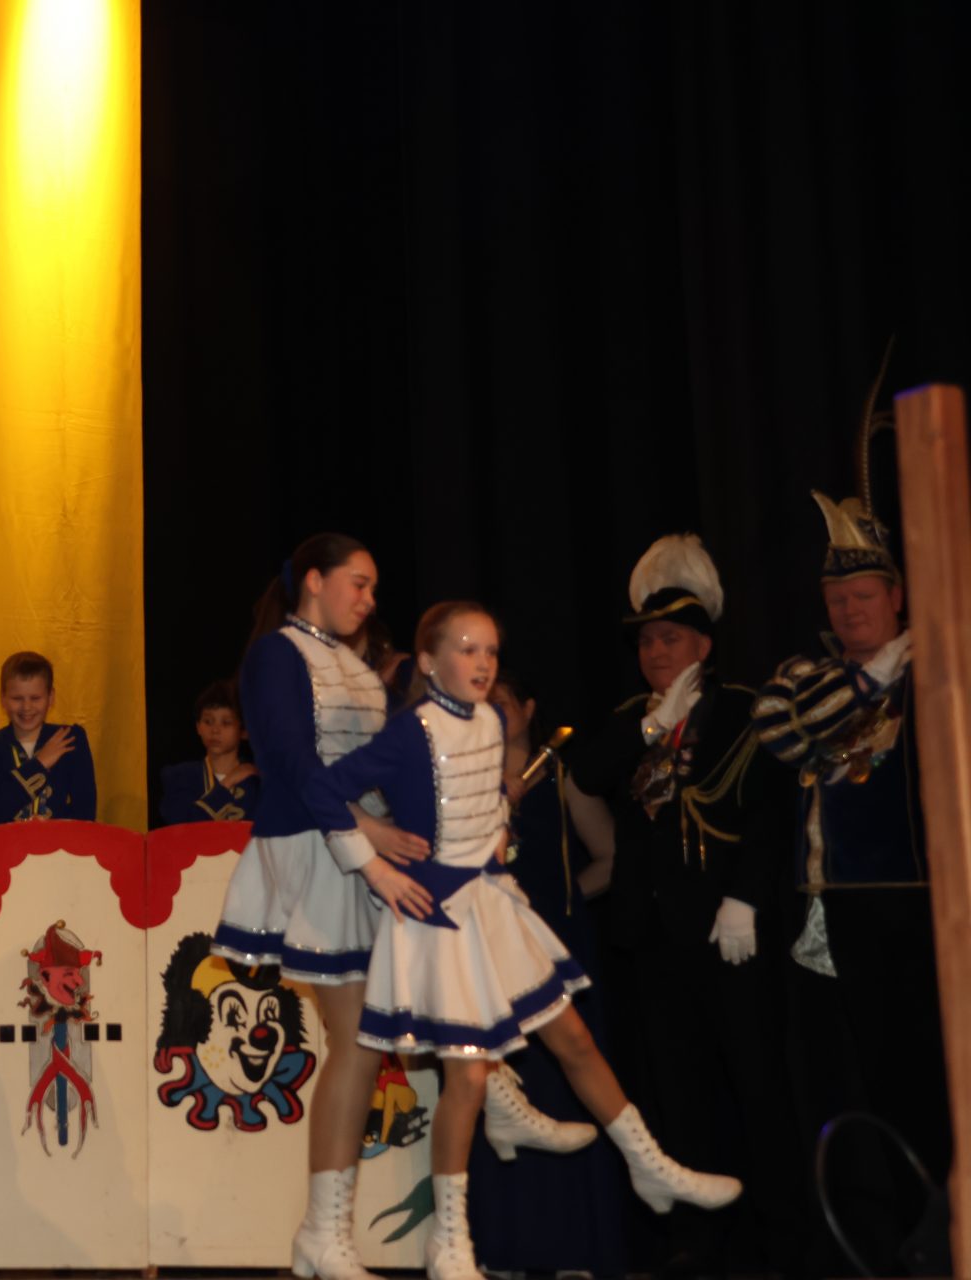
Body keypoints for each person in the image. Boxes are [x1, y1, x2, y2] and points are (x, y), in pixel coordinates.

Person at [318, 601, 742, 1280]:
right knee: (466, 1078)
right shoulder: (409, 732)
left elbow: (478, 817)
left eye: (490, 650)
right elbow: (323, 790)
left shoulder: (490, 722)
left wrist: (497, 816)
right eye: (466, 649)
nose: (482, 663)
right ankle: (450, 1243)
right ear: (427, 662)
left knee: (574, 1038)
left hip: (493, 904)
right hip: (439, 919)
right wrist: (376, 852)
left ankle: (650, 1165)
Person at [210, 535, 584, 1280]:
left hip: (369, 851)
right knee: (358, 1040)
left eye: (374, 587)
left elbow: (391, 762)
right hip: (318, 852)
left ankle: (488, 1091)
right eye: (358, 583)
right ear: (313, 581)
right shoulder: (277, 655)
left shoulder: (355, 663)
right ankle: (325, 1234)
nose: (370, 599)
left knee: (436, 979)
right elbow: (293, 765)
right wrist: (369, 840)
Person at [568, 535, 803, 1275]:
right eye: (646, 642)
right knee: (675, 1094)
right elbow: (588, 772)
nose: (655, 652)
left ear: (703, 644)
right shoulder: (630, 719)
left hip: (727, 932)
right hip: (653, 937)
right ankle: (697, 1242)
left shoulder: (744, 709)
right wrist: (649, 724)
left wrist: (744, 898)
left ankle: (780, 1238)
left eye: (670, 639)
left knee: (756, 1084)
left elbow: (770, 815)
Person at [753, 492, 950, 1214]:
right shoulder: (802, 673)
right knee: (882, 1073)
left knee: (945, 1062)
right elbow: (783, 732)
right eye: (836, 599)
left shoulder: (939, 664)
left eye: (863, 595)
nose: (848, 610)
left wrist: (903, 666)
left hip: (937, 899)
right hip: (851, 904)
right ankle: (918, 1221)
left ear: (896, 597)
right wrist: (874, 676)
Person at [465, 674, 625, 1274]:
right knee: (502, 1095)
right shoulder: (464, 781)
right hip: (489, 957)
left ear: (529, 709)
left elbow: (609, 857)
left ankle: (574, 1251)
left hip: (557, 952)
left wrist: (561, 906)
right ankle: (505, 1250)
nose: (493, 712)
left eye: (503, 703)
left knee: (566, 1091)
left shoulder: (561, 775)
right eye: (483, 704)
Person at [0, 650, 96, 824]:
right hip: (6, 841)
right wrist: (40, 763)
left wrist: (50, 829)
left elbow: (85, 812)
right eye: (17, 698)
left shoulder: (69, 739)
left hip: (58, 841)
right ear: (3, 699)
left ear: (51, 697)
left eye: (35, 698)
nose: (26, 707)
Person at [158, 679, 260, 824]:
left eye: (226, 723)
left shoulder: (258, 781)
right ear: (198, 727)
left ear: (243, 731)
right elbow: (180, 825)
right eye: (208, 722)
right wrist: (229, 781)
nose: (215, 730)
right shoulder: (179, 777)